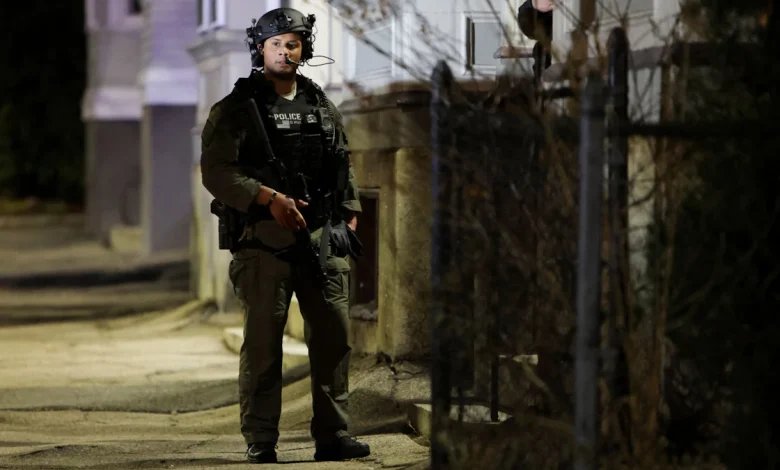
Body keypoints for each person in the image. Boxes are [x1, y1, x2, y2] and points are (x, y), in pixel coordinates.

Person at [200, 7, 369, 464]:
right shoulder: (237, 109)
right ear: (260, 49)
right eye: (275, 44)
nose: (284, 52)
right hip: (264, 242)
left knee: (333, 339)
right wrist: (268, 197)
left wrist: (349, 214)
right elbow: (216, 172)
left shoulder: (319, 103)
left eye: (292, 44)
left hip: (321, 239)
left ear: (303, 49)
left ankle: (333, 435)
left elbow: (342, 161)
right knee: (263, 343)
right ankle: (261, 438)